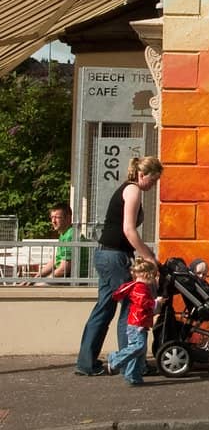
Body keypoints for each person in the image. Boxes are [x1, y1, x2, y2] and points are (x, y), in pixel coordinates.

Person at [74, 156, 163, 377]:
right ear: (141, 174)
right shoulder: (133, 190)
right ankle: (131, 364)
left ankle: (86, 363)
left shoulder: (127, 189)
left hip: (105, 254)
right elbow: (129, 230)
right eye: (153, 179)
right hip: (115, 257)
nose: (154, 185)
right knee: (130, 307)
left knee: (104, 308)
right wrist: (149, 257)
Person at [106, 257, 160, 386]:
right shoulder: (140, 288)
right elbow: (143, 302)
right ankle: (115, 358)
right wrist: (156, 302)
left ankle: (133, 376)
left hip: (138, 322)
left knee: (139, 352)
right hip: (137, 323)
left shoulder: (138, 286)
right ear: (148, 275)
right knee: (138, 347)